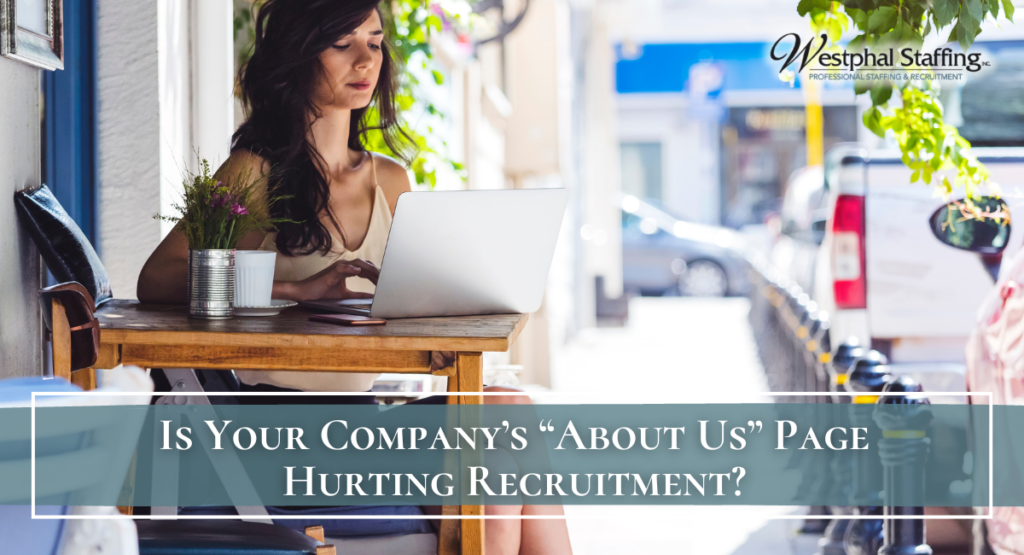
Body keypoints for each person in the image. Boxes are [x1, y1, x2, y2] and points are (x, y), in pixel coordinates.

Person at [137, 1, 572, 553]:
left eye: (375, 40)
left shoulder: (390, 179)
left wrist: (441, 329)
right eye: (343, 44)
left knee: (511, 413)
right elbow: (161, 276)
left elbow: (416, 298)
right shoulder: (252, 171)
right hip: (272, 431)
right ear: (299, 56)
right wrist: (296, 289)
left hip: (362, 424)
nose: (367, 59)